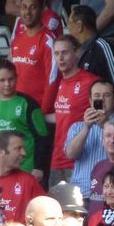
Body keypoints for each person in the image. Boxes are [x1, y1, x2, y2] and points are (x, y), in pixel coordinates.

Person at [65, 80, 114, 201]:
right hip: (81, 194)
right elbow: (70, 154)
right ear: (90, 100)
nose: (102, 100)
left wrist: (105, 124)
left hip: (112, 195)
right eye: (97, 96)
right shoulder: (77, 127)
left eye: (107, 95)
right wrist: (87, 127)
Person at [0, 58, 51, 177]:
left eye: (11, 79)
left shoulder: (28, 103)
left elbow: (42, 138)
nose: (7, 84)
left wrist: (39, 167)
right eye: (2, 80)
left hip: (26, 170)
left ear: (17, 78)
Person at [48, 35, 101, 185]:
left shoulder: (90, 81)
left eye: (65, 52)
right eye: (57, 54)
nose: (60, 58)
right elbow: (62, 115)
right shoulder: (59, 83)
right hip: (57, 159)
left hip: (79, 160)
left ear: (76, 53)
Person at [68, 4, 114, 104]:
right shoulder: (76, 51)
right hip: (84, 112)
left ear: (79, 26)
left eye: (70, 23)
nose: (68, 28)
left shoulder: (103, 46)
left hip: (104, 113)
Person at [10, 0, 58, 112]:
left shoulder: (48, 40)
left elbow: (53, 79)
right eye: (24, 7)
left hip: (37, 109)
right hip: (16, 107)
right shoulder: (17, 39)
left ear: (42, 10)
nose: (27, 12)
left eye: (33, 7)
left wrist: (43, 112)